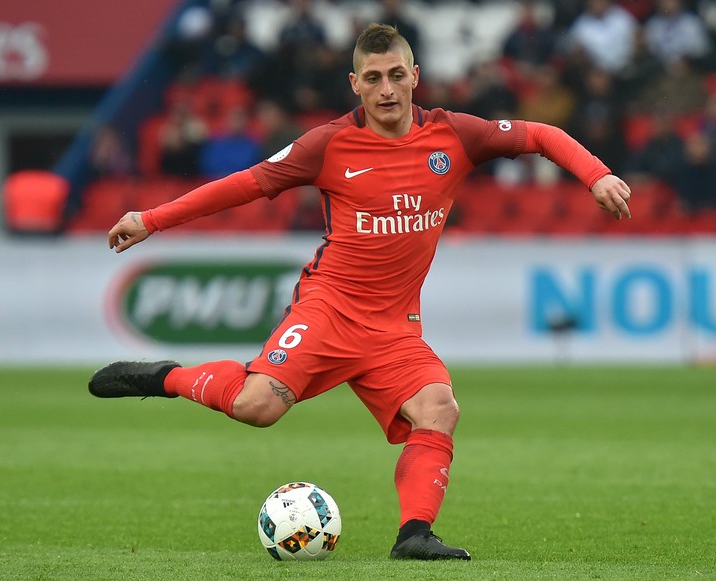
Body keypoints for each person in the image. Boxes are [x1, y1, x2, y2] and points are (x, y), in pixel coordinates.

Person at [88, 23, 632, 561]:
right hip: (329, 311)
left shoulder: (454, 135)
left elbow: (539, 133)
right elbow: (247, 183)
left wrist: (597, 175)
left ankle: (414, 535)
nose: (387, 90)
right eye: (374, 78)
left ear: (416, 76)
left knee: (439, 408)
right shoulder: (327, 144)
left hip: (394, 329)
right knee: (257, 407)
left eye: (397, 75)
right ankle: (165, 378)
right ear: (355, 83)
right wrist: (152, 219)